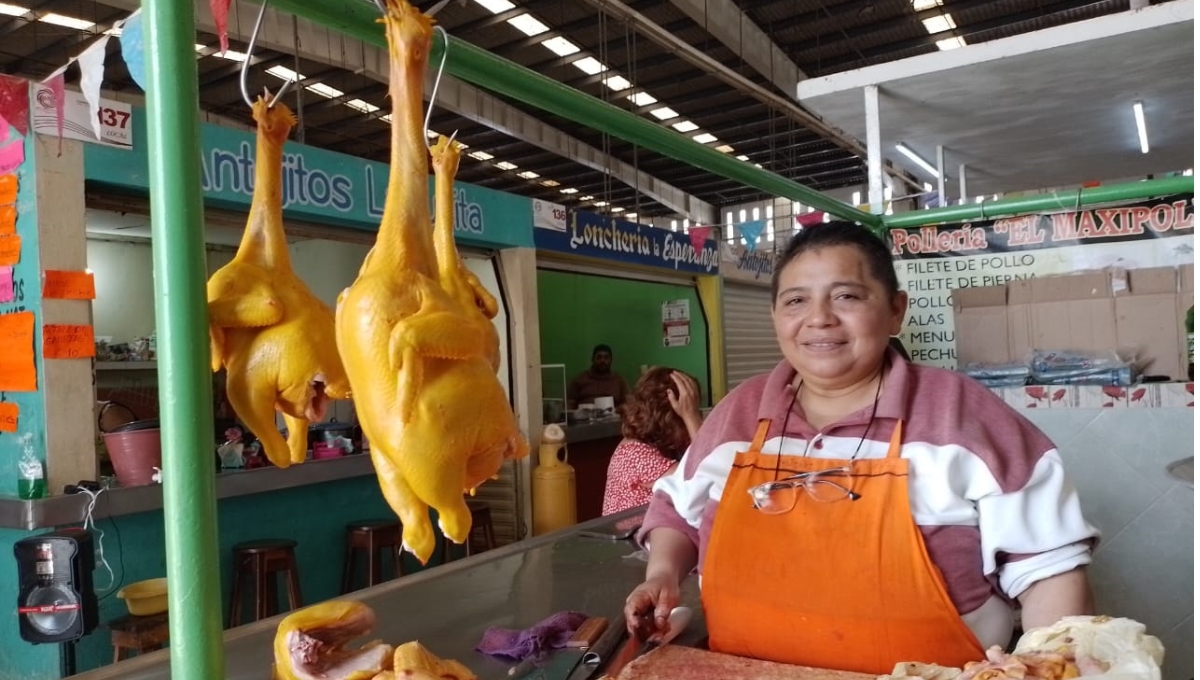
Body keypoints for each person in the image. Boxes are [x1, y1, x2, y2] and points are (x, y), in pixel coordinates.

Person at [623, 222, 1098, 674]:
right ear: (776, 318)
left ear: (895, 309)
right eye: (795, 301)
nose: (819, 319)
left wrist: (1049, 666)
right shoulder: (737, 413)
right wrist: (663, 572)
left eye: (847, 296)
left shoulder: (964, 414)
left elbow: (1048, 571)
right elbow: (676, 511)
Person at [602, 368, 703, 516]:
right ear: (671, 416)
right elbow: (704, 477)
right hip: (634, 536)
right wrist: (691, 415)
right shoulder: (634, 454)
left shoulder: (662, 444)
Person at [566, 344, 630, 408]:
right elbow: (569, 406)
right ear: (592, 359)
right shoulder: (580, 380)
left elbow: (629, 405)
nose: (603, 361)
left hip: (613, 417)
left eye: (606, 358)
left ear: (611, 360)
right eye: (599, 357)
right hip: (585, 417)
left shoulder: (619, 381)